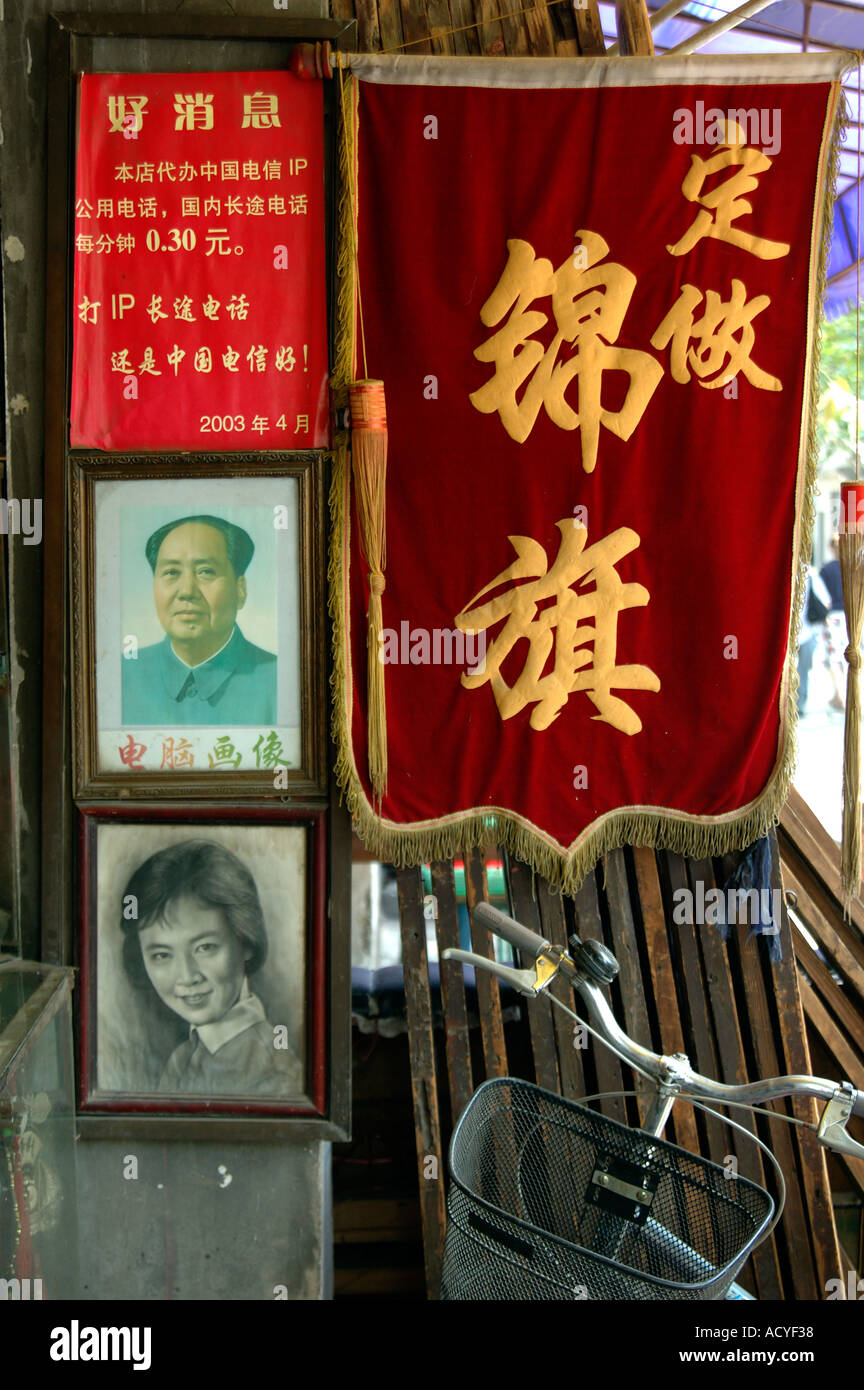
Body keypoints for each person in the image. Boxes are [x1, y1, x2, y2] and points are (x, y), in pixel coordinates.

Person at [120, 840, 302, 1096]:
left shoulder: (274, 1076)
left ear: (246, 941)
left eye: (205, 947)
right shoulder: (181, 1060)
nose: (187, 976)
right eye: (161, 954)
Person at [121, 515, 277, 726]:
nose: (186, 592)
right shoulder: (118, 677)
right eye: (171, 572)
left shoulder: (280, 680)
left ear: (240, 591)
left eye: (205, 572)